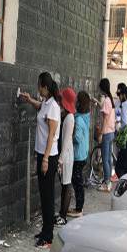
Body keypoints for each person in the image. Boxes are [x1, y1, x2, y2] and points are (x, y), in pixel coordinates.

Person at [20, 72, 61, 248]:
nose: (38, 89)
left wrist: (45, 159)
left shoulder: (53, 107)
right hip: (42, 154)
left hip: (48, 157)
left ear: (45, 87)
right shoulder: (46, 103)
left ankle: (48, 236)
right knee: (44, 195)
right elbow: (40, 108)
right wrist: (30, 100)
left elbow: (51, 134)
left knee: (47, 196)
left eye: (39, 86)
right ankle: (45, 230)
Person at [68, 92, 91, 218]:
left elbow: (77, 138)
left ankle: (78, 209)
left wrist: (69, 135)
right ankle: (79, 207)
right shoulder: (86, 116)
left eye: (76, 100)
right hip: (83, 153)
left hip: (78, 155)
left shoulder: (78, 119)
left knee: (77, 182)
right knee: (78, 181)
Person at [56, 88, 76, 226]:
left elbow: (67, 140)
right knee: (65, 185)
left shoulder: (69, 118)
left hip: (66, 156)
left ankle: (63, 216)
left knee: (66, 185)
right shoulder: (67, 116)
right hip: (65, 155)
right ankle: (62, 214)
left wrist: (61, 160)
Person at [97, 78, 116, 192]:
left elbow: (104, 119)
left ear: (102, 88)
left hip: (106, 133)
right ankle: (108, 182)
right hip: (111, 132)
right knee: (108, 159)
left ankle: (107, 183)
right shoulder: (110, 100)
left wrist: (100, 134)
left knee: (105, 159)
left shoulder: (106, 100)